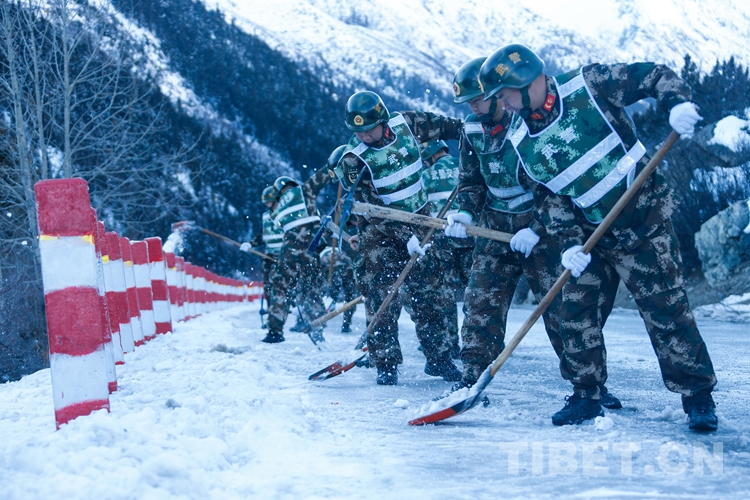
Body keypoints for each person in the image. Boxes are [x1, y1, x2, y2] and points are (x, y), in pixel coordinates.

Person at [481, 44, 717, 430]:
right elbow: (550, 197)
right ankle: (586, 394)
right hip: (592, 234)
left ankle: (697, 396)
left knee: (666, 310)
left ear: (526, 83)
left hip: (642, 220)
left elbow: (653, 75)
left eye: (504, 94)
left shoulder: (589, 85)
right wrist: (569, 243)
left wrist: (675, 103)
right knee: (573, 311)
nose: (502, 104)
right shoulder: (521, 140)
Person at [443, 57, 627, 408]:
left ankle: (588, 385)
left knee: (562, 310)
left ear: (496, 94)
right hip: (495, 227)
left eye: (477, 99)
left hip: (541, 227)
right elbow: (470, 181)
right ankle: (471, 379)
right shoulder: (471, 130)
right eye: (467, 102)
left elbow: (555, 185)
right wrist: (464, 211)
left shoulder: (527, 124)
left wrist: (535, 228)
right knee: (480, 303)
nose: (473, 107)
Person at [335, 90, 463, 385]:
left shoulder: (407, 124)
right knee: (382, 299)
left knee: (430, 294)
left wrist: (472, 134)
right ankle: (386, 364)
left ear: (383, 121)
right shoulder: (353, 159)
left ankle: (439, 358)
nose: (364, 136)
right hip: (379, 233)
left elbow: (445, 126)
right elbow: (371, 209)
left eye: (369, 130)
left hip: (421, 220)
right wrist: (404, 235)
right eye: (358, 132)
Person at [261, 165, 332, 344]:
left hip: (289, 250)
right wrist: (335, 165)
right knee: (312, 289)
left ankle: (275, 331)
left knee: (280, 287)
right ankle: (317, 329)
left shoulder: (275, 211)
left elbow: (279, 227)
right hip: (311, 247)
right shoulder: (304, 191)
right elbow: (324, 174)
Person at [419, 140, 474, 358]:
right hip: (469, 236)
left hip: (441, 240)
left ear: (429, 156)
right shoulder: (464, 167)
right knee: (475, 290)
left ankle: (450, 342)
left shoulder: (425, 176)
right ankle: (479, 339)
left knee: (446, 293)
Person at [241, 186, 284, 325]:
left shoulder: (285, 214)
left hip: (284, 255)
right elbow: (262, 235)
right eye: (266, 202)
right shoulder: (265, 216)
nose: (267, 204)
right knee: (268, 286)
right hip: (269, 256)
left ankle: (283, 311)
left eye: (269, 201)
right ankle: (272, 315)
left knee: (281, 285)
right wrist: (251, 244)